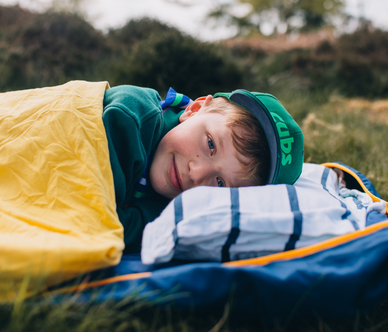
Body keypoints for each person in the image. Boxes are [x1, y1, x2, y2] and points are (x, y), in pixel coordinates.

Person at [103, 86, 304, 253]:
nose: (196, 174)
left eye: (220, 183)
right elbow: (98, 224)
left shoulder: (183, 206)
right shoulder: (129, 118)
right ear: (194, 109)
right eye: (210, 144)